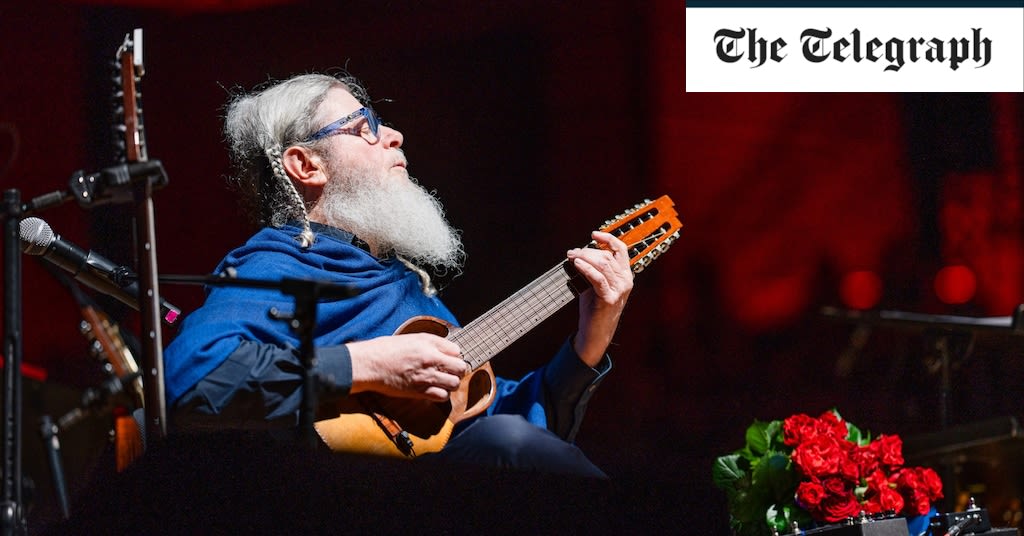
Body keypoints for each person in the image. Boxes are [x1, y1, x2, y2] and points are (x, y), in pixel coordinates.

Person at [162, 72, 633, 478]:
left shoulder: (404, 284)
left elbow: (510, 436)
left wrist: (593, 335)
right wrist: (371, 365)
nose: (394, 134)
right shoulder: (275, 265)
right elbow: (193, 376)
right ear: (306, 165)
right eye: (364, 126)